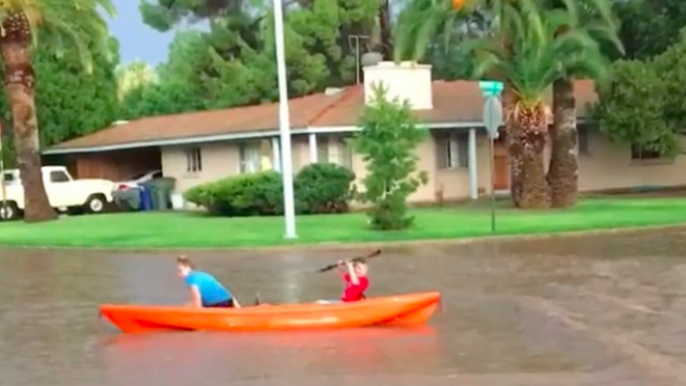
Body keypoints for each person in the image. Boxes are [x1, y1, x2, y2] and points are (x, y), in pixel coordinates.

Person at [176, 256, 240, 308]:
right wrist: (237, 306)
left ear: (188, 268)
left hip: (217, 305)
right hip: (228, 302)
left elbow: (197, 298)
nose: (179, 274)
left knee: (187, 306)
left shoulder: (191, 279)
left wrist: (198, 316)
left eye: (180, 271)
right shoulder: (205, 274)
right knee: (190, 304)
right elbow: (222, 288)